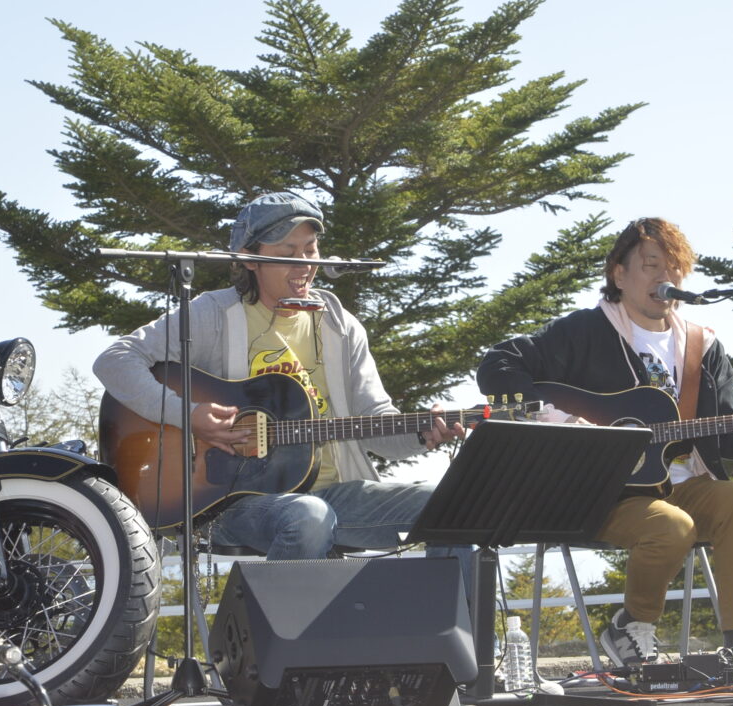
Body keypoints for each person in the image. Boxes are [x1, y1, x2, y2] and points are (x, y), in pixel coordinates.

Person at [475, 217, 733, 666]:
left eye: (672, 267)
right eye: (651, 265)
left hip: (683, 485)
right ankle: (631, 626)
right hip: (600, 492)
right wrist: (552, 416)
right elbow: (499, 364)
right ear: (620, 274)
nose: (664, 277)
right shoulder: (582, 332)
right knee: (670, 526)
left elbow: (731, 424)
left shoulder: (701, 346)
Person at [94, 191, 462, 559]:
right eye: (287, 254)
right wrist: (187, 415)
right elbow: (115, 360)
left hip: (336, 493)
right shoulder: (213, 314)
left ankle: (452, 618)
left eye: (311, 249)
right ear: (250, 260)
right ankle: (275, 618)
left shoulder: (340, 325)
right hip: (232, 501)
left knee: (456, 504)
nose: (304, 264)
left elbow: (377, 425)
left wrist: (421, 433)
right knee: (308, 515)